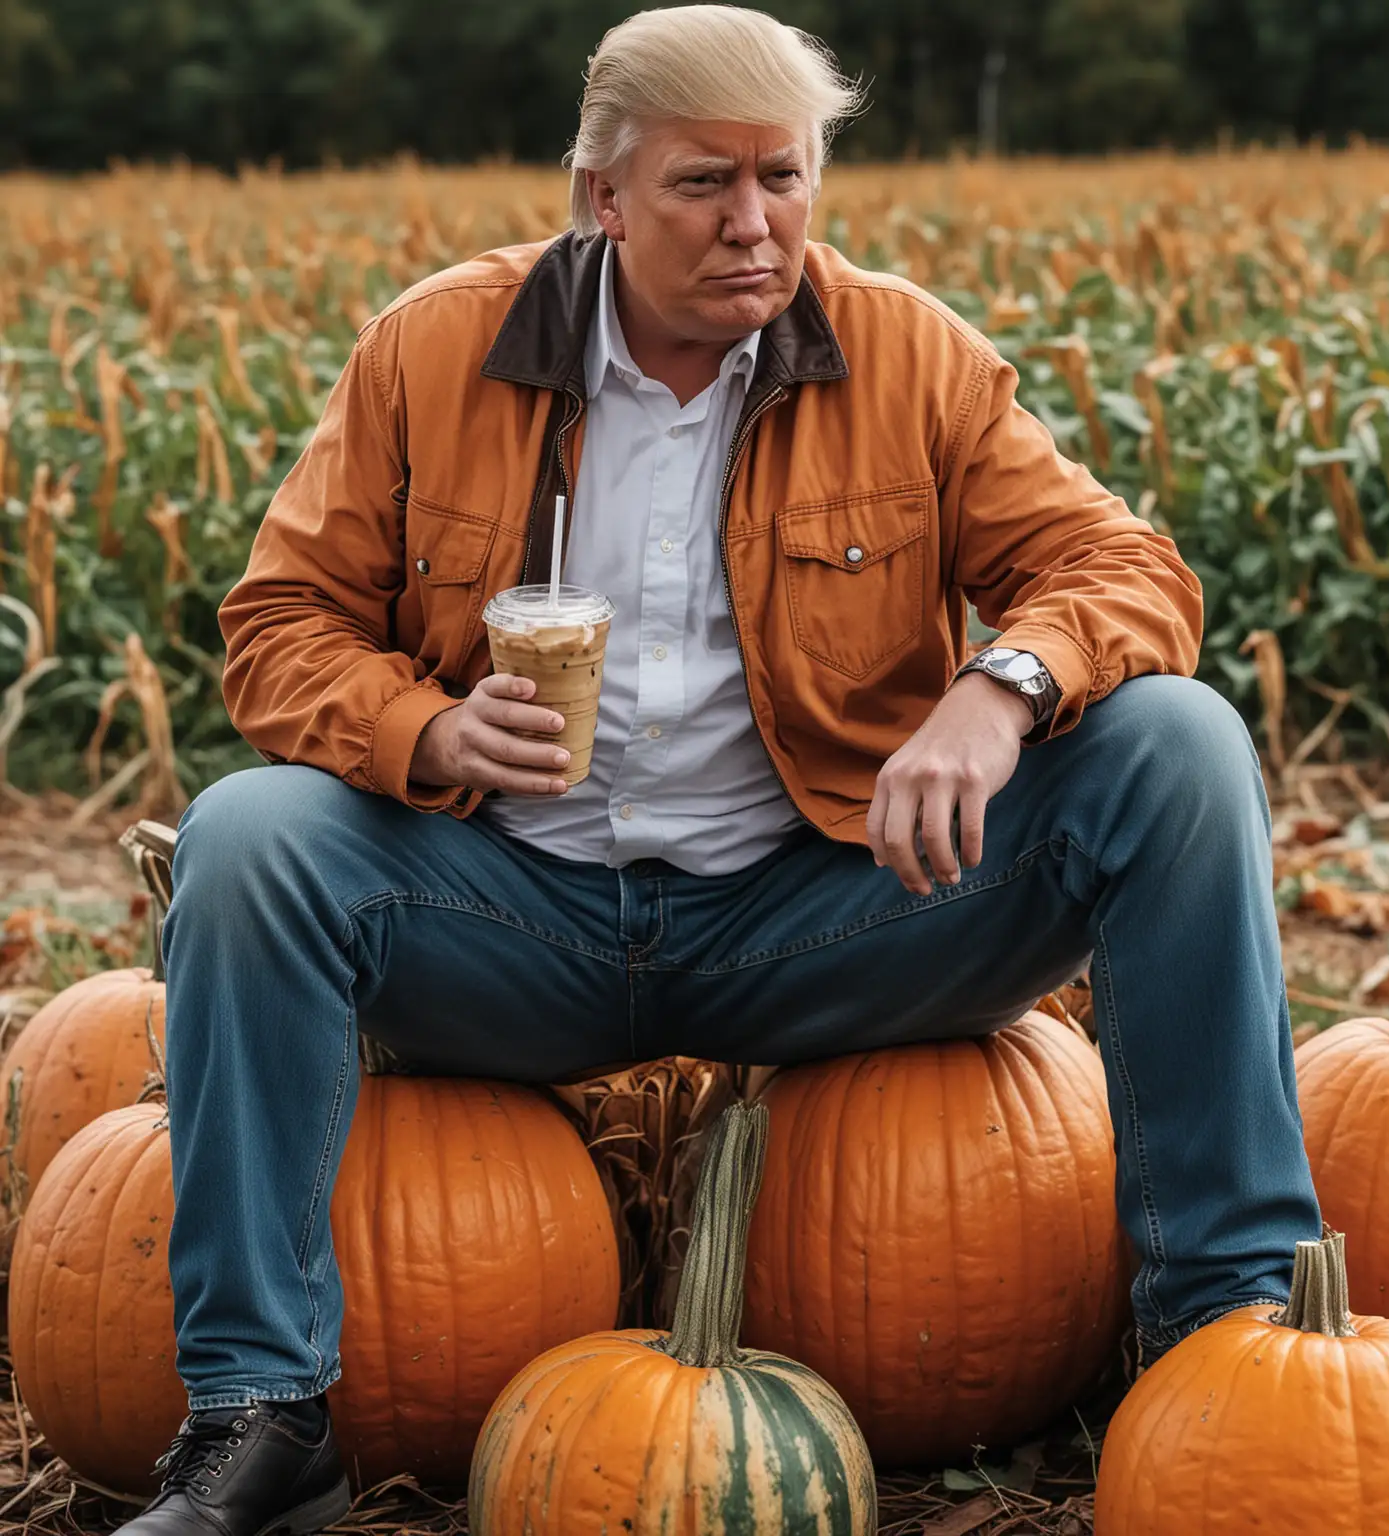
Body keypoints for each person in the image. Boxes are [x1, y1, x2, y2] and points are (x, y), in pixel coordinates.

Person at [127, 6, 1321, 1530]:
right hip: (508, 920)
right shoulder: (437, 349)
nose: (755, 225)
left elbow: (1124, 567)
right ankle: (256, 1416)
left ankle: (1218, 1339)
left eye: (787, 177)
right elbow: (277, 623)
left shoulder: (906, 353)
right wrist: (419, 730)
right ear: (602, 197)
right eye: (703, 184)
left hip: (829, 916)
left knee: (1178, 744)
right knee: (250, 840)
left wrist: (999, 687)